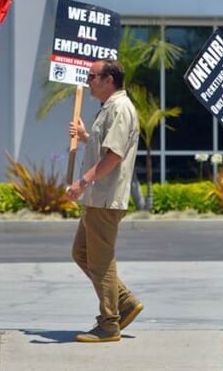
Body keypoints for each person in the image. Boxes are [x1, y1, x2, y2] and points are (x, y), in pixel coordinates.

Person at [65, 59, 144, 343]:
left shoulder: (121, 108)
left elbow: (114, 156)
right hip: (97, 198)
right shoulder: (108, 109)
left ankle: (109, 322)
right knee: (82, 253)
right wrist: (87, 137)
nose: (88, 81)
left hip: (106, 197)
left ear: (109, 79)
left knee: (101, 260)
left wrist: (82, 181)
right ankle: (124, 301)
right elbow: (104, 147)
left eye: (92, 76)